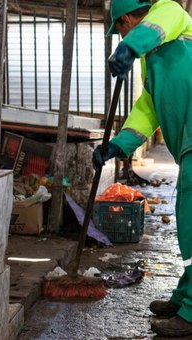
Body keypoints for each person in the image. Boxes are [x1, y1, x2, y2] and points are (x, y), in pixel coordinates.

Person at [92, 0, 192, 337]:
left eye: (119, 30)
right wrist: (116, 146)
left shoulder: (171, 14)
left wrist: (131, 47)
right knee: (188, 223)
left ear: (127, 19)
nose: (120, 37)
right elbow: (147, 110)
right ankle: (185, 298)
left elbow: (160, 21)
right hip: (189, 148)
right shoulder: (154, 62)